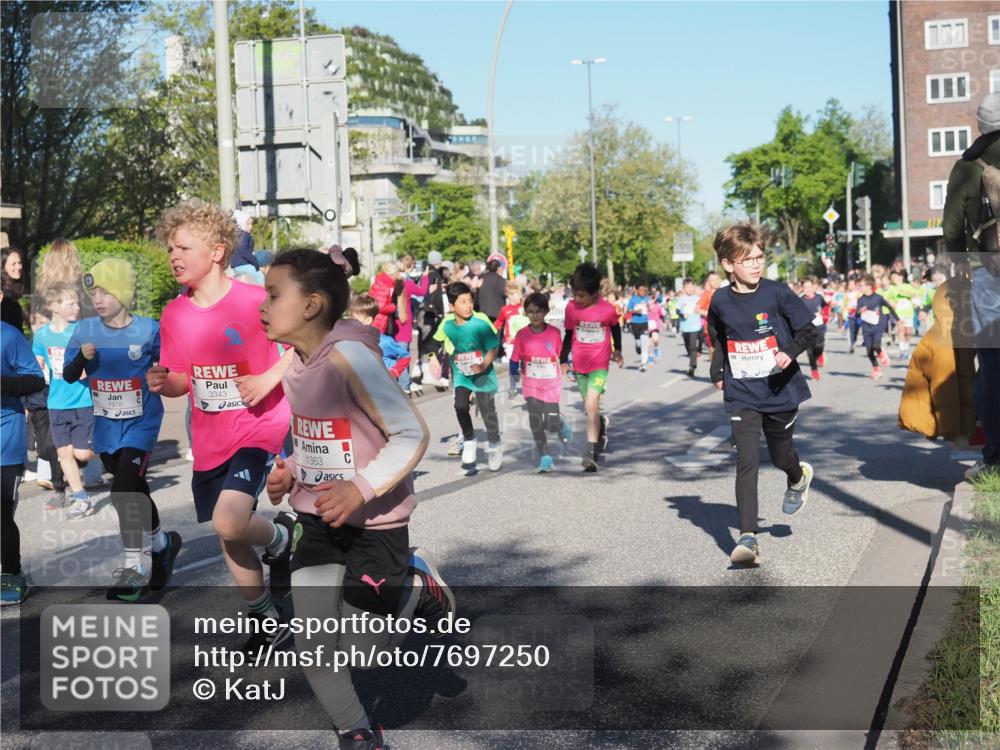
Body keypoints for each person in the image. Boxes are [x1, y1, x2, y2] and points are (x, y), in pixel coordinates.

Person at [262, 245, 453, 750]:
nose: (262, 306)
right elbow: (322, 441)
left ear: (311, 306)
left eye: (273, 295)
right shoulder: (295, 364)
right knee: (314, 642)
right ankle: (356, 730)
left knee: (368, 651)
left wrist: (360, 488)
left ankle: (416, 585)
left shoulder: (349, 357)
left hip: (377, 522)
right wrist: (291, 473)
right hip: (320, 522)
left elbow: (410, 434)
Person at [147, 200, 294, 650]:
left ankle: (284, 538)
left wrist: (268, 377)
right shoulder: (174, 314)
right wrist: (163, 381)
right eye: (170, 248)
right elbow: (180, 379)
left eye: (183, 247)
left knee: (230, 522)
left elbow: (301, 345)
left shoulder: (256, 300)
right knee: (227, 533)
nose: (174, 256)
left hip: (260, 425)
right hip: (209, 437)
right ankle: (266, 616)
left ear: (216, 251)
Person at [61, 258, 182, 601]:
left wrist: (161, 376)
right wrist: (82, 358)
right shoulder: (85, 330)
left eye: (105, 291)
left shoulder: (148, 329)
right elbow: (69, 376)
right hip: (106, 427)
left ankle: (133, 571)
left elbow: (171, 367)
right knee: (136, 487)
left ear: (124, 293)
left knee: (124, 491)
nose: (97, 299)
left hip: (141, 424)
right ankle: (162, 543)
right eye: (93, 292)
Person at [707, 222, 816, 565]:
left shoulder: (777, 292)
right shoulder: (720, 300)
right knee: (747, 460)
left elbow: (808, 330)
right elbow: (720, 340)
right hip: (742, 392)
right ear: (728, 264)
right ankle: (748, 538)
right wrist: (717, 370)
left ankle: (798, 478)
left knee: (782, 455)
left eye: (759, 257)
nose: (756, 265)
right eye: (747, 259)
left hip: (779, 389)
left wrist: (789, 351)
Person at [943, 91, 1000, 481]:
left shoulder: (969, 166)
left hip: (989, 272)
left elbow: (951, 226)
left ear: (979, 125)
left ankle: (995, 458)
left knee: (993, 368)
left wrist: (960, 257)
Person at [31, 284, 95, 518]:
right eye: (71, 303)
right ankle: (81, 499)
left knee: (83, 454)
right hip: (56, 403)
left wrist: (88, 366)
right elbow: (38, 358)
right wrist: (36, 365)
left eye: (77, 302)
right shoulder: (42, 335)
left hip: (83, 400)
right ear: (54, 307)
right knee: (64, 454)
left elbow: (95, 358)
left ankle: (109, 448)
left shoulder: (83, 331)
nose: (77, 307)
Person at [560, 262, 623, 473]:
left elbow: (615, 328)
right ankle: (601, 426)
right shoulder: (571, 308)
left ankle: (591, 453)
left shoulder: (606, 309)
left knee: (590, 403)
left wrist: (618, 350)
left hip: (599, 364)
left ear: (595, 293)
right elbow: (569, 334)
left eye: (582, 296)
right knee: (591, 410)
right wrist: (562, 359)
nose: (577, 299)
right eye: (575, 294)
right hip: (580, 364)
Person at [433, 282, 502, 471]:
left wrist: (484, 364)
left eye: (470, 301)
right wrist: (432, 358)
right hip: (462, 374)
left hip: (482, 373)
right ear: (452, 306)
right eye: (463, 302)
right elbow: (434, 342)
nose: (468, 306)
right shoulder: (448, 326)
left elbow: (492, 347)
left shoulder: (480, 325)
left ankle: (495, 444)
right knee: (460, 405)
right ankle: (469, 439)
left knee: (488, 412)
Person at [1, 318, 45, 604]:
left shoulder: (9, 336)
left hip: (4, 437)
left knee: (2, 512)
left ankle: (12, 573)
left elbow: (35, 379)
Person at [511, 292, 572, 472]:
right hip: (531, 386)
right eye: (530, 312)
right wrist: (513, 381)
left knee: (551, 424)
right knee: (535, 421)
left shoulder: (554, 333)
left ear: (545, 312)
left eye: (538, 311)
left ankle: (559, 423)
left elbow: (562, 356)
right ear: (525, 313)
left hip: (551, 385)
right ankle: (545, 456)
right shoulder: (522, 335)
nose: (534, 315)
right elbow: (514, 360)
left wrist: (568, 367)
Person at [348, 294, 413, 394]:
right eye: (349, 318)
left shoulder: (384, 341)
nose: (350, 322)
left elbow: (406, 356)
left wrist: (394, 372)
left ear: (368, 320)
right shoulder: (351, 341)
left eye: (355, 319)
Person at [855, 275, 898, 380]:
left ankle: (880, 352)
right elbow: (857, 313)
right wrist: (860, 311)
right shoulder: (860, 300)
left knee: (876, 345)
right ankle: (876, 368)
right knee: (869, 351)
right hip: (866, 327)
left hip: (878, 325)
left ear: (869, 286)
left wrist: (897, 319)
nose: (860, 288)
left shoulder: (878, 298)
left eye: (862, 286)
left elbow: (888, 306)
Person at [493, 282, 529, 397]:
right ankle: (513, 387)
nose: (519, 296)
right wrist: (491, 330)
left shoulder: (523, 308)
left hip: (524, 340)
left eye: (520, 294)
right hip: (510, 341)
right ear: (510, 296)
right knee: (512, 363)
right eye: (517, 294)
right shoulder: (505, 310)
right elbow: (499, 321)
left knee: (525, 364)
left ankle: (527, 388)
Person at [799, 276, 828, 381]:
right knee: (810, 351)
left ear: (813, 287)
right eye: (805, 287)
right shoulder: (800, 300)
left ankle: (820, 355)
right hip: (807, 329)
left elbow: (825, 306)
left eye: (810, 287)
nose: (808, 289)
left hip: (820, 326)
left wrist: (825, 315)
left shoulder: (819, 297)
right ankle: (814, 370)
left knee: (819, 346)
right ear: (802, 288)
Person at [676, 278, 703, 377]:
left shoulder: (698, 298)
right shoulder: (681, 299)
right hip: (685, 326)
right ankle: (693, 359)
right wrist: (682, 315)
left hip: (695, 326)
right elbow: (677, 311)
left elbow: (703, 307)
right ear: (684, 289)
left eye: (691, 287)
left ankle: (692, 366)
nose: (690, 289)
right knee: (688, 347)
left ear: (694, 287)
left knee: (692, 346)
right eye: (688, 287)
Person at [230, 210, 263, 284]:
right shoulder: (244, 235)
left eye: (251, 224)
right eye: (248, 224)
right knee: (260, 277)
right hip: (244, 263)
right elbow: (244, 251)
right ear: (241, 223)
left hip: (237, 265)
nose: (251, 227)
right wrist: (255, 262)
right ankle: (264, 294)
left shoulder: (236, 235)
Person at [626, 284, 651, 372]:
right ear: (636, 291)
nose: (643, 292)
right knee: (638, 341)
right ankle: (637, 345)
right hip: (635, 323)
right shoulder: (633, 299)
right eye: (641, 290)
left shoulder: (647, 298)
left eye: (644, 290)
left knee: (645, 343)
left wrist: (648, 307)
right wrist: (636, 311)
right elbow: (628, 310)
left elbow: (650, 309)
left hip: (644, 322)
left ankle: (643, 364)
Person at [476, 258, 507, 324]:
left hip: (483, 312)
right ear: (498, 268)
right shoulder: (502, 280)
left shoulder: (482, 279)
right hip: (498, 313)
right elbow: (504, 294)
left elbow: (477, 294)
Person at [1, 247, 25, 332]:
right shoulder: (3, 294)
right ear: (3, 266)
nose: (19, 267)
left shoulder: (14, 289)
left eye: (19, 263)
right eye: (13, 264)